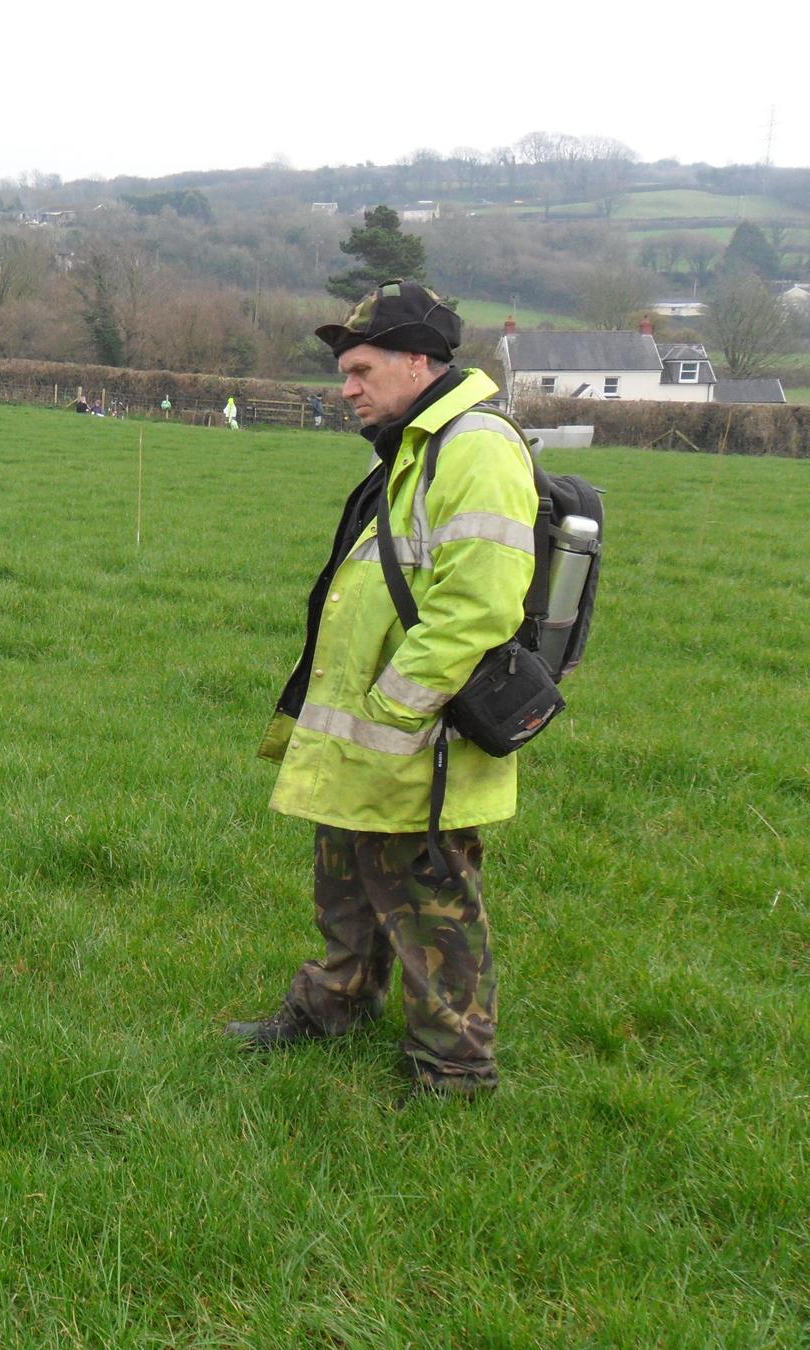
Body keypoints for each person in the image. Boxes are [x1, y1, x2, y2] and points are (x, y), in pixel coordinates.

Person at [227, 280, 539, 1100]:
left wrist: (395, 710)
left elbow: (478, 606)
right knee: (347, 884)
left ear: (418, 361)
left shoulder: (475, 446)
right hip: (366, 733)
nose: (348, 387)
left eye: (362, 368)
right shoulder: (414, 445)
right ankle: (334, 1007)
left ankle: (455, 1068)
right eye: (344, 371)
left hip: (417, 738)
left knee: (433, 905)